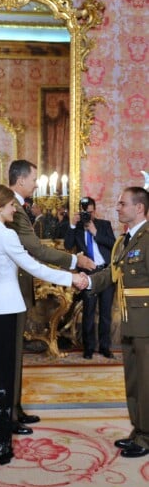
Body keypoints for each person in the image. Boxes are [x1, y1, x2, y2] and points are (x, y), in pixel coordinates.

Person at [0, 184, 86, 464]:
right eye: (11, 205)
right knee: (3, 375)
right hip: (7, 309)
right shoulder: (6, 236)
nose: (15, 209)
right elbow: (34, 267)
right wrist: (71, 278)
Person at [7, 159, 95, 434]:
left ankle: (15, 408)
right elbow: (34, 249)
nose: (36, 184)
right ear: (20, 180)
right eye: (34, 179)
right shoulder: (12, 208)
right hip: (10, 290)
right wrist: (74, 260)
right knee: (11, 355)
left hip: (17, 287)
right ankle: (8, 413)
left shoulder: (20, 207)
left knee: (16, 354)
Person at [90, 187, 149, 459]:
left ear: (139, 208)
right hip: (129, 321)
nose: (117, 207)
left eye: (123, 203)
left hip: (146, 323)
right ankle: (138, 430)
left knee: (147, 381)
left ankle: (147, 437)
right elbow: (112, 274)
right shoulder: (124, 241)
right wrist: (86, 282)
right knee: (134, 380)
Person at [64, 196, 116, 359]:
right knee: (89, 312)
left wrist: (95, 232)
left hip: (106, 272)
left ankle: (105, 347)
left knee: (106, 313)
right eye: (85, 213)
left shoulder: (104, 225)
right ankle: (89, 348)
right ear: (81, 211)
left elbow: (114, 245)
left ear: (95, 210)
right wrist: (72, 224)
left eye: (91, 213)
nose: (88, 216)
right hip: (88, 274)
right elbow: (67, 245)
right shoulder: (77, 228)